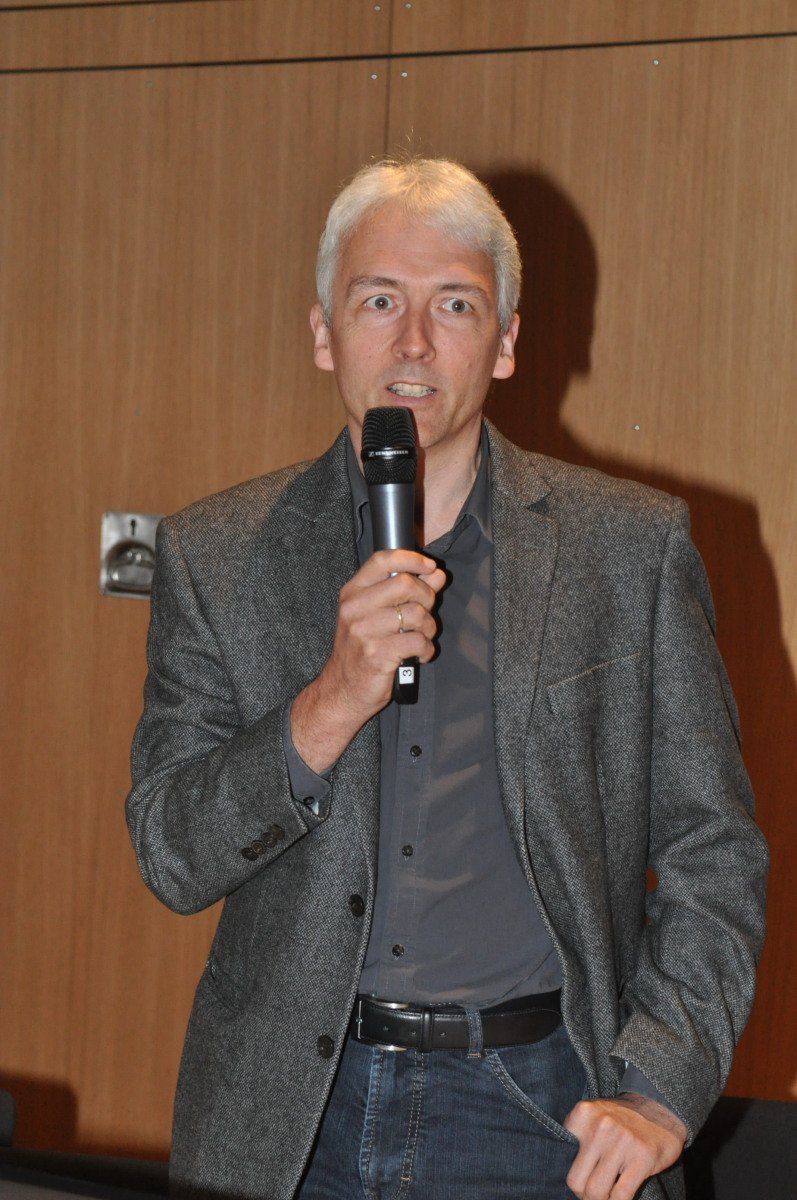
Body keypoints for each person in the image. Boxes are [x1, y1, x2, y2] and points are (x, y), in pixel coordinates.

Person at [126, 158, 768, 1200]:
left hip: (540, 1108)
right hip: (291, 1119)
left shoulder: (626, 550)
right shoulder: (217, 555)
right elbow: (171, 851)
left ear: (505, 342)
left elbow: (713, 851)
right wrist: (330, 701)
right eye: (379, 301)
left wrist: (660, 1087)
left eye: (455, 305)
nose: (414, 343)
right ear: (324, 333)